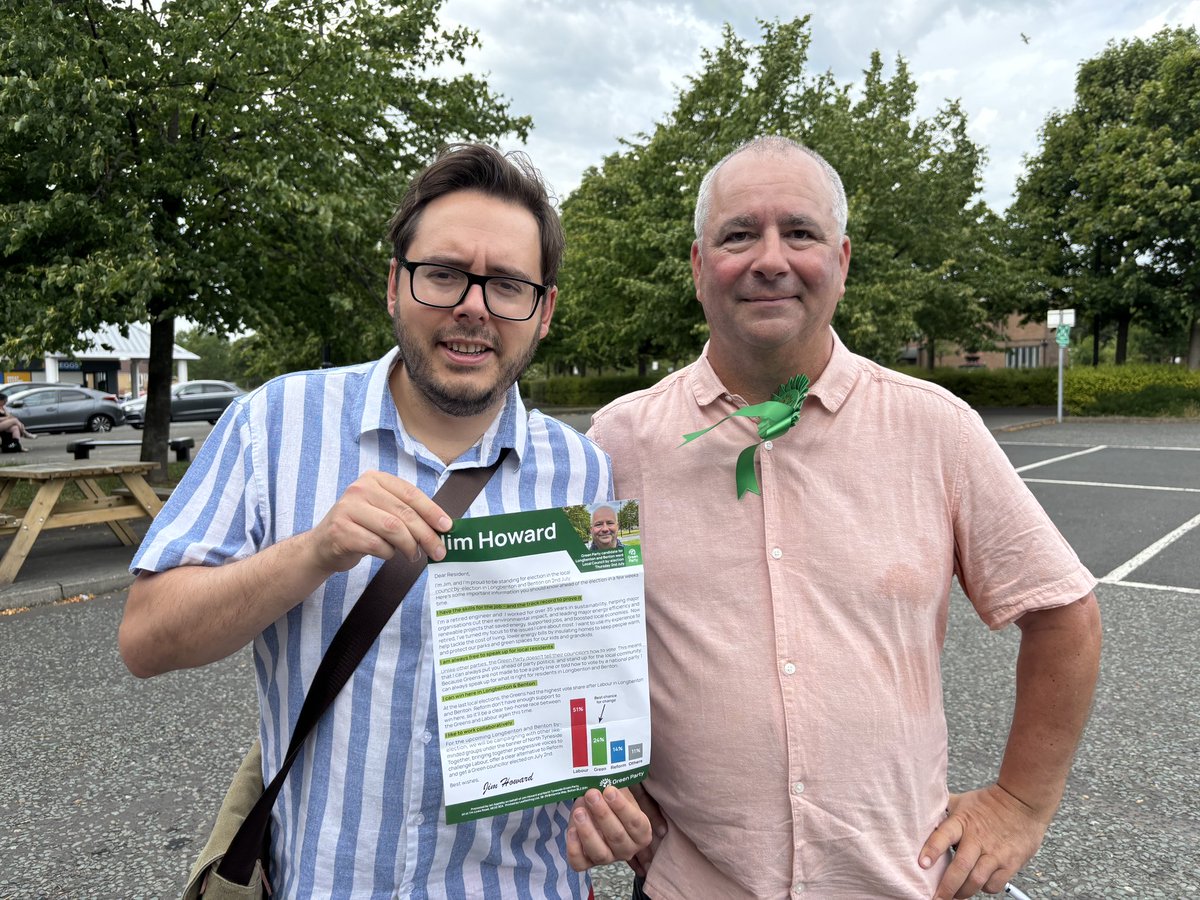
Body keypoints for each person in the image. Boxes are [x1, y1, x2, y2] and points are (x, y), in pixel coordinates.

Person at [119, 143, 649, 898]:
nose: (474, 306)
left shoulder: (584, 471)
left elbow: (583, 691)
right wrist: (313, 552)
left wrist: (604, 806)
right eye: (444, 273)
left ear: (545, 312)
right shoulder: (277, 423)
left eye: (508, 284)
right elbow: (145, 639)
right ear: (395, 285)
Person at [587, 136, 1102, 900]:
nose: (770, 259)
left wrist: (1021, 804)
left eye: (799, 232)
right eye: (738, 235)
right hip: (689, 884)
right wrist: (599, 779)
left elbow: (1064, 615)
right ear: (698, 266)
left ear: (843, 261)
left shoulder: (936, 428)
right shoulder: (618, 443)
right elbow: (574, 637)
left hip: (893, 883)